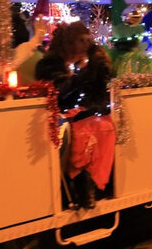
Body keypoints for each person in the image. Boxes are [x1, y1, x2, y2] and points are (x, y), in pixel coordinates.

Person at [35, 22, 114, 209]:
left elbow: (99, 91)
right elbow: (61, 92)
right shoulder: (50, 64)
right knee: (85, 132)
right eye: (81, 40)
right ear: (69, 42)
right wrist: (85, 73)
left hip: (81, 114)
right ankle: (83, 188)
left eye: (88, 40)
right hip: (55, 117)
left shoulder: (85, 62)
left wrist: (99, 67)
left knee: (104, 126)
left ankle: (97, 184)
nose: (86, 44)